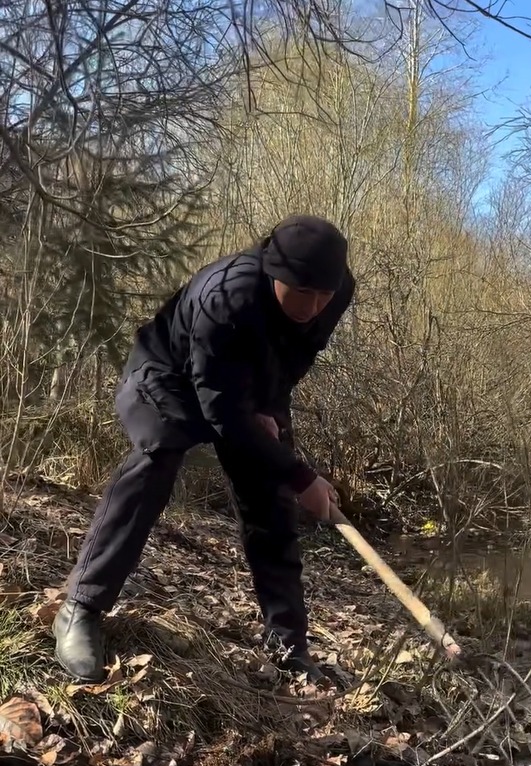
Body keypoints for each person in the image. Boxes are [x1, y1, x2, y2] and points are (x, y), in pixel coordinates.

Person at [53, 215, 355, 683]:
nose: (312, 306)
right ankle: (81, 607)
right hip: (167, 375)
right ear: (273, 271)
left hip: (247, 387)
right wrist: (301, 476)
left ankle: (288, 645)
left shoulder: (335, 292)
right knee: (158, 455)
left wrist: (267, 410)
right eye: (301, 292)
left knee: (270, 497)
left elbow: (295, 356)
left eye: (323, 295)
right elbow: (224, 414)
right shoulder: (226, 296)